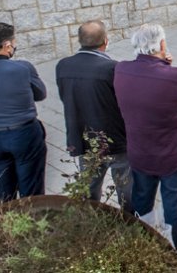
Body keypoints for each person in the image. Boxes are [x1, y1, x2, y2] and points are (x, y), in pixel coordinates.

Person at [114, 24, 177, 268]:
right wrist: (167, 66)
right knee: (174, 205)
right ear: (162, 45)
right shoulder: (176, 75)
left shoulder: (121, 70)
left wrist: (163, 65)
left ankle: (146, 243)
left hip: (139, 153)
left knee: (142, 199)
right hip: (172, 156)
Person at [56, 20, 131, 212]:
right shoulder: (113, 68)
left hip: (83, 138)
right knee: (125, 184)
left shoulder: (63, 66)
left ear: (79, 41)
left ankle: (90, 219)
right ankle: (129, 219)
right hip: (115, 139)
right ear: (105, 41)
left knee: (89, 185)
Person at [0, 22, 46, 204]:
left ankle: (6, 226)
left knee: (1, 188)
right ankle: (32, 224)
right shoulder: (23, 68)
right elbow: (41, 94)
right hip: (23, 133)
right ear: (7, 45)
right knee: (31, 187)